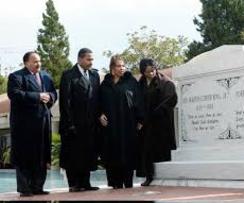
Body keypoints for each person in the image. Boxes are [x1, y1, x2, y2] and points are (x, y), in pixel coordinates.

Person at [7, 51, 57, 196]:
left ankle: (38, 186)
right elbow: (14, 94)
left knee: (41, 156)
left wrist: (50, 97)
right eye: (35, 61)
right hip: (24, 126)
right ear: (26, 62)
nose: (38, 64)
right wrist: (38, 96)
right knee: (25, 157)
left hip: (43, 123)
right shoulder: (16, 77)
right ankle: (25, 188)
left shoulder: (46, 76)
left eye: (39, 61)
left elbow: (54, 93)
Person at [59, 48, 100, 192]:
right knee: (74, 154)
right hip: (74, 123)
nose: (91, 62)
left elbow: (97, 99)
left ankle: (86, 183)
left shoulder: (95, 75)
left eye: (92, 59)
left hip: (90, 124)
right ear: (80, 59)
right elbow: (65, 102)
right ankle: (73, 184)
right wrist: (70, 123)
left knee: (88, 153)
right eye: (89, 59)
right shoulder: (69, 75)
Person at [99, 54, 143, 189]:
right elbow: (98, 103)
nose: (122, 68)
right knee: (112, 153)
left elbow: (139, 101)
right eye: (119, 66)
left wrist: (140, 119)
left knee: (128, 152)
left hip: (128, 124)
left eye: (123, 65)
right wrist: (100, 115)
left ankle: (128, 182)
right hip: (111, 126)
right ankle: (115, 183)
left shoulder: (131, 82)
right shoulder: (105, 84)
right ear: (112, 68)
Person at [136, 58, 177, 186]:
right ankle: (149, 176)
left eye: (153, 70)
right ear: (143, 72)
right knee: (147, 151)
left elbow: (170, 100)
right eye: (148, 71)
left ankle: (166, 177)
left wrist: (155, 113)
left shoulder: (166, 83)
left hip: (161, 123)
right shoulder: (140, 84)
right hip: (146, 123)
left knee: (162, 149)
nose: (151, 73)